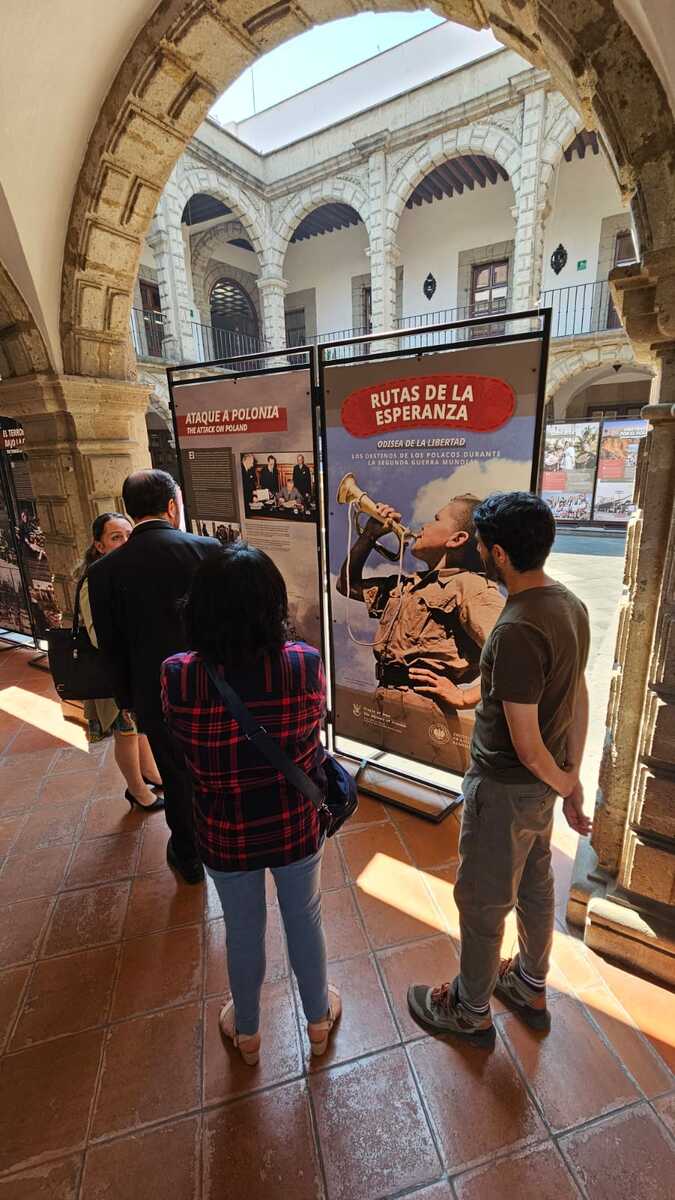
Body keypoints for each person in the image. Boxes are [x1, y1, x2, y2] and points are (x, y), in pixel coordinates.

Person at [407, 492, 591, 1046]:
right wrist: (572, 777)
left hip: (507, 789)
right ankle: (531, 983)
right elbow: (576, 695)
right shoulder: (570, 606)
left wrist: (564, 783)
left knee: (483, 901)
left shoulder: (514, 629)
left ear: (501, 554)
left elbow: (525, 741)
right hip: (540, 790)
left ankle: (469, 1008)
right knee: (536, 886)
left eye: (486, 545)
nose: (482, 553)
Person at [161, 544, 340, 1065]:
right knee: (304, 918)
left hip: (224, 829)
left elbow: (180, 740)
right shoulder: (304, 664)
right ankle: (318, 1022)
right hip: (293, 824)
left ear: (199, 607)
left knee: (241, 929)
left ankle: (247, 1034)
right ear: (273, 604)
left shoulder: (178, 674)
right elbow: (313, 726)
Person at [88, 470, 219, 884]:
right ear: (172, 506)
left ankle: (189, 855)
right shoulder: (207, 549)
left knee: (175, 774)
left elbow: (110, 644)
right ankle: (224, 840)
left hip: (153, 691)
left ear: (131, 510)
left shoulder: (104, 570)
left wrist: (128, 699)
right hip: (210, 684)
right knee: (215, 764)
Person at [337, 494, 505, 773]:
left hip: (424, 713)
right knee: (387, 783)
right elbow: (347, 585)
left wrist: (465, 697)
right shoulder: (407, 584)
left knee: (421, 787)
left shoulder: (471, 587)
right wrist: (369, 535)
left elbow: (514, 658)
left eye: (436, 519)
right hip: (383, 702)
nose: (423, 526)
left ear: (457, 539)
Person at [77, 513, 164, 811]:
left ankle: (150, 772)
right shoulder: (94, 580)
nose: (126, 543)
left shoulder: (125, 573)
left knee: (139, 728)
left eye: (129, 535)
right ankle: (137, 790)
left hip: (134, 667)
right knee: (125, 731)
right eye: (116, 537)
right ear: (99, 546)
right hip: (113, 671)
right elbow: (96, 635)